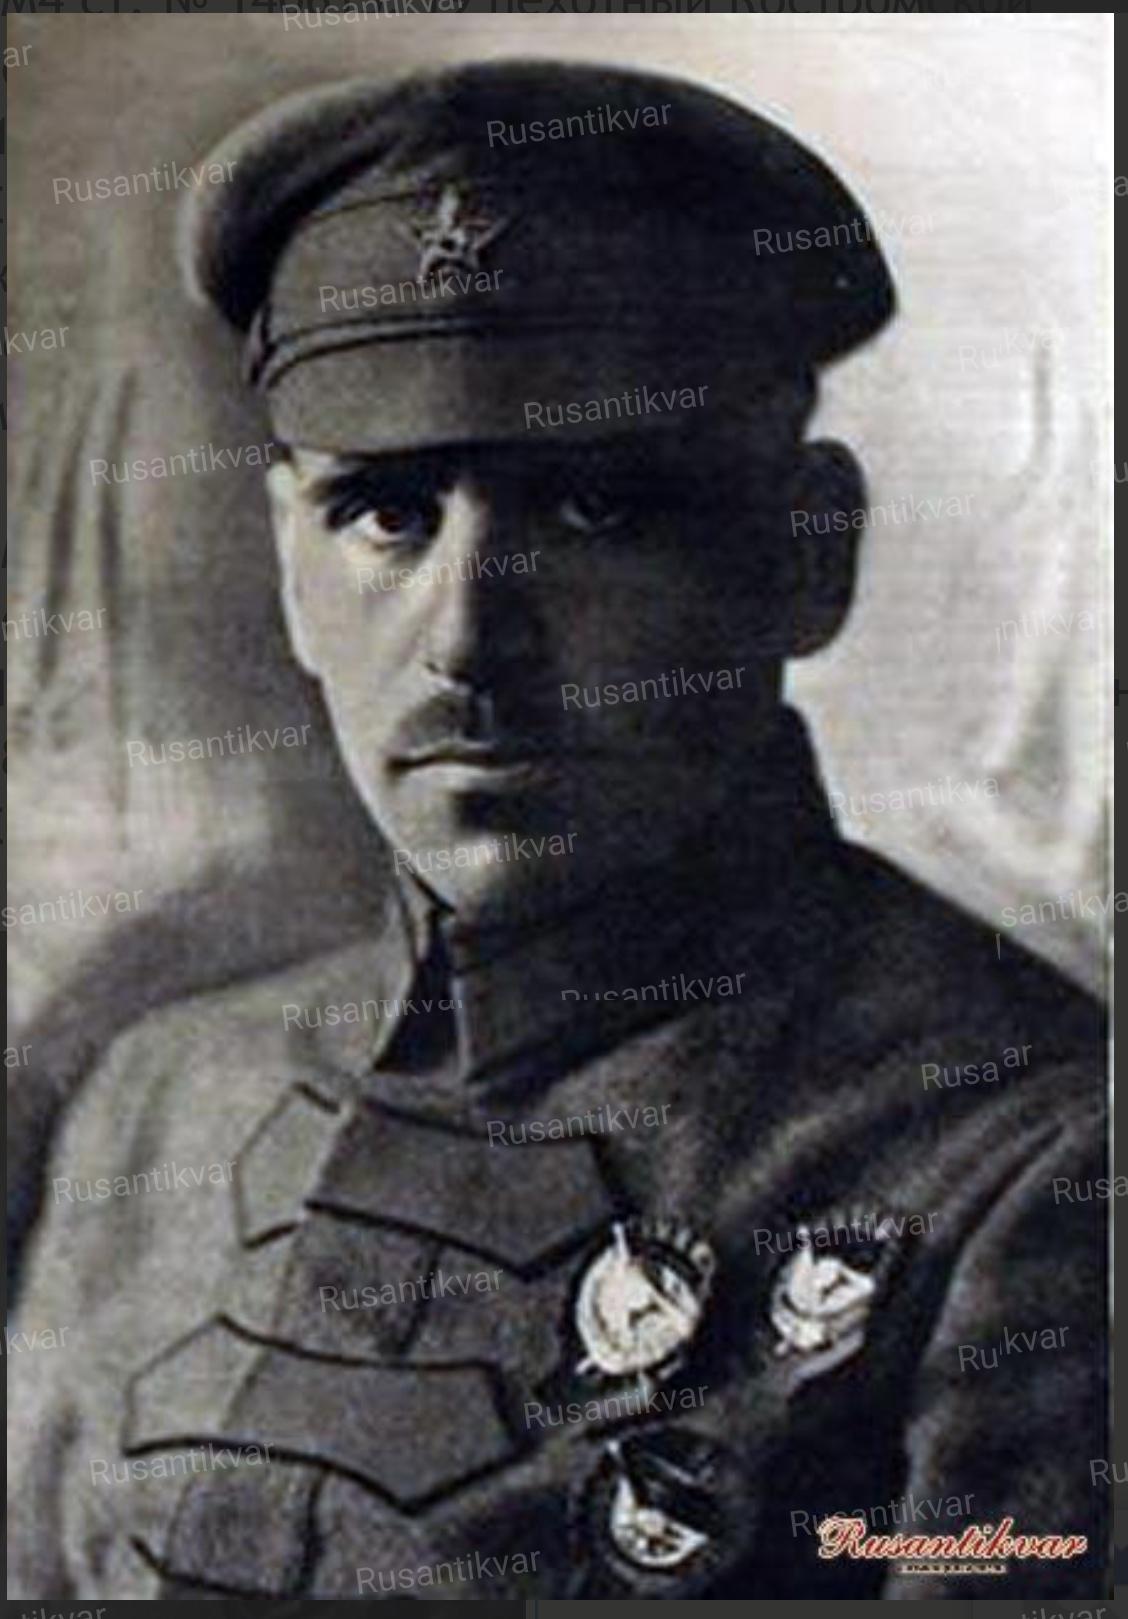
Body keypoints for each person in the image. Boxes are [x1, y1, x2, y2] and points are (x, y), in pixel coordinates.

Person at [8, 61, 1107, 1600]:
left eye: (597, 511)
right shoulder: (158, 1105)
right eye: (386, 513)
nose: (466, 641)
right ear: (290, 571)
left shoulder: (1035, 1166)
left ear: (808, 552)